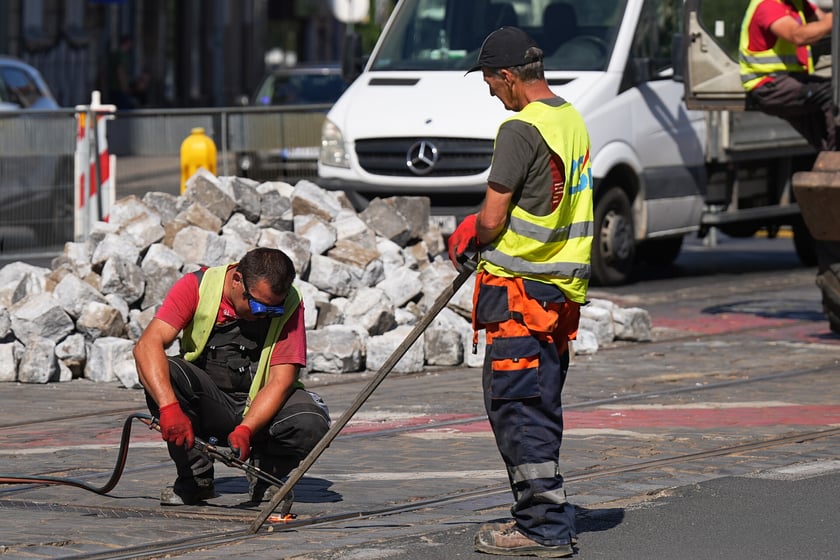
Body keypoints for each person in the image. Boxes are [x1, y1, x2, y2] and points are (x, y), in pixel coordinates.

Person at [450, 26, 593, 558]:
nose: (491, 92)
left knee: (518, 409)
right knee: (541, 405)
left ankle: (543, 528)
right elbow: (551, 198)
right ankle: (544, 513)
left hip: (519, 296)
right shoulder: (569, 118)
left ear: (509, 77)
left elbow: (493, 216)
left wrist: (474, 231)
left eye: (491, 82)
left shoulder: (519, 128)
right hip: (558, 296)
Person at [134, 247, 330, 506]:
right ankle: (196, 477)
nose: (263, 315)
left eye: (273, 310)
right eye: (258, 306)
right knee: (164, 372)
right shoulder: (198, 286)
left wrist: (247, 429)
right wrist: (169, 407)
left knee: (310, 421)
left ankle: (266, 476)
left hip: (261, 405)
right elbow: (146, 346)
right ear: (237, 280)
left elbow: (281, 380)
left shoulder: (290, 302)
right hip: (210, 402)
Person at [739, 0, 836, 151]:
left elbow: (823, 21)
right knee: (832, 93)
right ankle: (835, 158)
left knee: (824, 133)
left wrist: (831, 20)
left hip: (792, 82)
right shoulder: (768, 5)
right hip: (769, 86)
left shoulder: (798, 4)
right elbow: (798, 36)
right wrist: (834, 19)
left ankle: (832, 156)